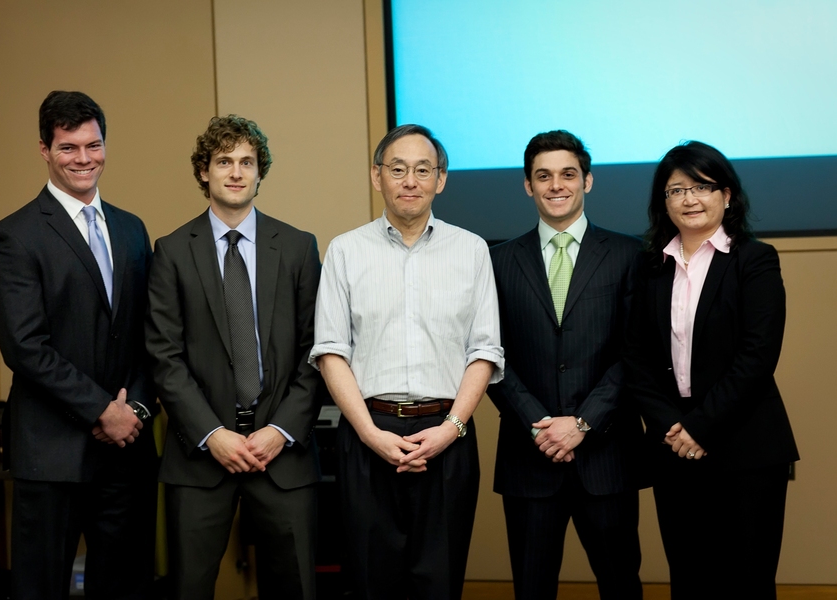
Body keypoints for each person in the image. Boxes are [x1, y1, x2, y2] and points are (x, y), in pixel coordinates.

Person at [310, 124, 504, 600]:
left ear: (441, 179)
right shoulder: (345, 251)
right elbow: (331, 351)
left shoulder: (472, 250)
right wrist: (370, 434)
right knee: (370, 582)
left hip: (447, 436)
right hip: (367, 433)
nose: (410, 181)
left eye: (423, 169)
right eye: (398, 169)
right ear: (377, 176)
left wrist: (451, 428)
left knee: (439, 581)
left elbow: (484, 350)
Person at [0, 91, 157, 599]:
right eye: (68, 148)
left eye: (93, 145)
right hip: (52, 455)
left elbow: (150, 336)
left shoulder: (131, 230)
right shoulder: (14, 236)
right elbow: (24, 346)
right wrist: (101, 410)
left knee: (125, 587)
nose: (84, 159)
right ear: (44, 149)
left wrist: (137, 412)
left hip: (127, 452)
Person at [145, 115, 321, 599]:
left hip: (281, 454)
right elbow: (165, 356)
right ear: (204, 171)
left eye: (247, 162)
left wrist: (280, 430)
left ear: (261, 171)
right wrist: (212, 434)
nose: (236, 172)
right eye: (224, 161)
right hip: (200, 457)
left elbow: (317, 351)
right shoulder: (172, 251)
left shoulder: (300, 248)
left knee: (296, 589)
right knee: (189, 589)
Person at [625, 141, 799, 599]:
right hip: (673, 447)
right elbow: (637, 359)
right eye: (676, 189)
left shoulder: (755, 260)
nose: (689, 199)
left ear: (727, 195)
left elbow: (757, 356)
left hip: (745, 446)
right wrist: (671, 427)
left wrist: (699, 427)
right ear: (663, 202)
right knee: (689, 578)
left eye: (702, 186)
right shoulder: (651, 267)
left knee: (747, 581)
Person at [488, 130, 644, 599]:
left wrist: (582, 423)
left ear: (588, 182)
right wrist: (539, 426)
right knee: (532, 589)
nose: (556, 185)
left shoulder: (630, 254)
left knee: (621, 586)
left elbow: (635, 353)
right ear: (527, 186)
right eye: (543, 176)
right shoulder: (495, 261)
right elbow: (488, 354)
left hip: (607, 456)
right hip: (529, 458)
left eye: (568, 174)